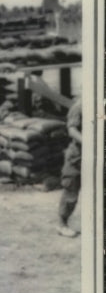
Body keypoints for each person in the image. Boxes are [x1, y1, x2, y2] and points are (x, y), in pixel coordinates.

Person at [58, 95, 82, 237]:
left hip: (96, 155)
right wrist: (88, 141)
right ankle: (62, 224)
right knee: (71, 189)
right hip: (77, 156)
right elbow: (72, 129)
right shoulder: (79, 106)